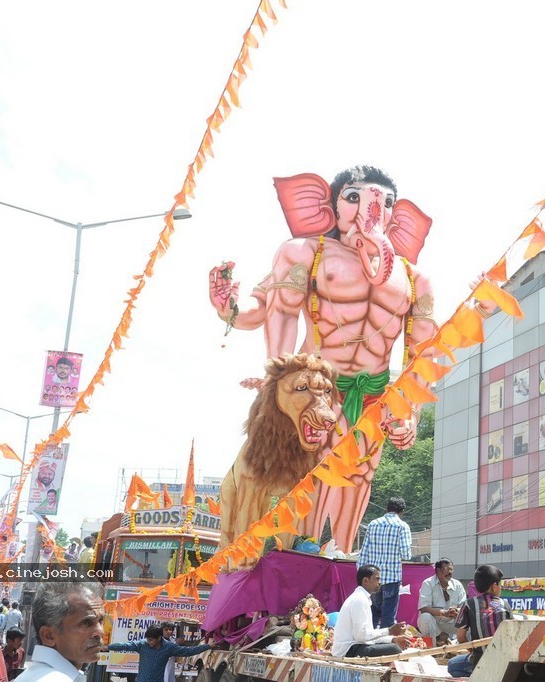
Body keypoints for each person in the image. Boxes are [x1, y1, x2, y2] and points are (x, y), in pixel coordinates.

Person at [208, 166, 439, 552]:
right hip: (317, 393)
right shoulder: (305, 253)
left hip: (374, 399)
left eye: (385, 202)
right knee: (307, 480)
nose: (371, 210)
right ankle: (295, 556)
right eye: (354, 197)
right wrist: (230, 311)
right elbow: (269, 310)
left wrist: (410, 413)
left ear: (398, 217)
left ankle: (341, 560)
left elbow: (423, 351)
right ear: (326, 205)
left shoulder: (416, 280)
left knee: (358, 480)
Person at [14, 582, 105, 681]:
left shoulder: (35, 674)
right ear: (49, 636)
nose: (100, 632)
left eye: (100, 621)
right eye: (86, 623)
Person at [447, 565, 513, 678]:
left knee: (452, 664)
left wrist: (473, 652)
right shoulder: (505, 604)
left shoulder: (469, 604)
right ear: (494, 586)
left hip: (480, 660)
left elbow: (461, 637)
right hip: (503, 660)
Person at [330, 564, 408, 658]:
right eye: (377, 579)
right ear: (365, 581)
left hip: (357, 646)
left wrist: (393, 639)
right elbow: (361, 636)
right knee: (394, 649)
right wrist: (389, 630)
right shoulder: (359, 600)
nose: (380, 583)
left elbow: (367, 637)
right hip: (348, 650)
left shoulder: (362, 598)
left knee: (394, 646)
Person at [357, 497, 411, 628]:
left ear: (387, 509)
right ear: (402, 511)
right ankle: (385, 640)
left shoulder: (373, 524)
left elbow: (363, 553)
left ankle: (370, 638)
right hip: (392, 580)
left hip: (372, 578)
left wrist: (361, 576)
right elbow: (406, 555)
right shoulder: (402, 526)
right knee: (388, 617)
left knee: (372, 614)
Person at [103, 625, 210, 682]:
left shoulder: (169, 647)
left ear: (159, 638)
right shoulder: (142, 645)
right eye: (147, 639)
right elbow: (125, 645)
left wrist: (208, 646)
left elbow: (188, 651)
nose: (148, 642)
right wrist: (108, 647)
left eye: (151, 640)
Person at [417, 558, 467, 644]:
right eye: (447, 569)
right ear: (438, 570)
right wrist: (444, 613)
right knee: (425, 617)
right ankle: (432, 648)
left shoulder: (458, 585)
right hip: (434, 624)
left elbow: (464, 607)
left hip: (451, 624)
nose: (450, 572)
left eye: (451, 569)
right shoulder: (428, 583)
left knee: (469, 618)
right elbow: (424, 608)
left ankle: (466, 649)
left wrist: (456, 611)